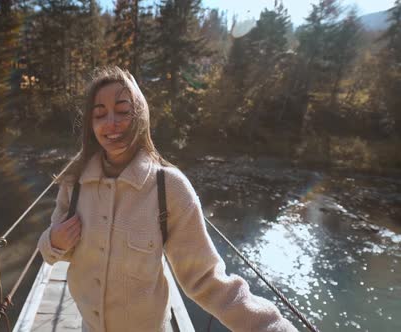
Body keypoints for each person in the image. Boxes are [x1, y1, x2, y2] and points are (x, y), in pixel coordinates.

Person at [37, 66, 297, 332]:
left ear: (140, 116)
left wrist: (273, 327)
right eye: (99, 114)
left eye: (123, 111)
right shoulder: (74, 180)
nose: (111, 122)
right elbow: (52, 252)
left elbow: (206, 279)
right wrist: (54, 241)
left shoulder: (169, 188)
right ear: (91, 126)